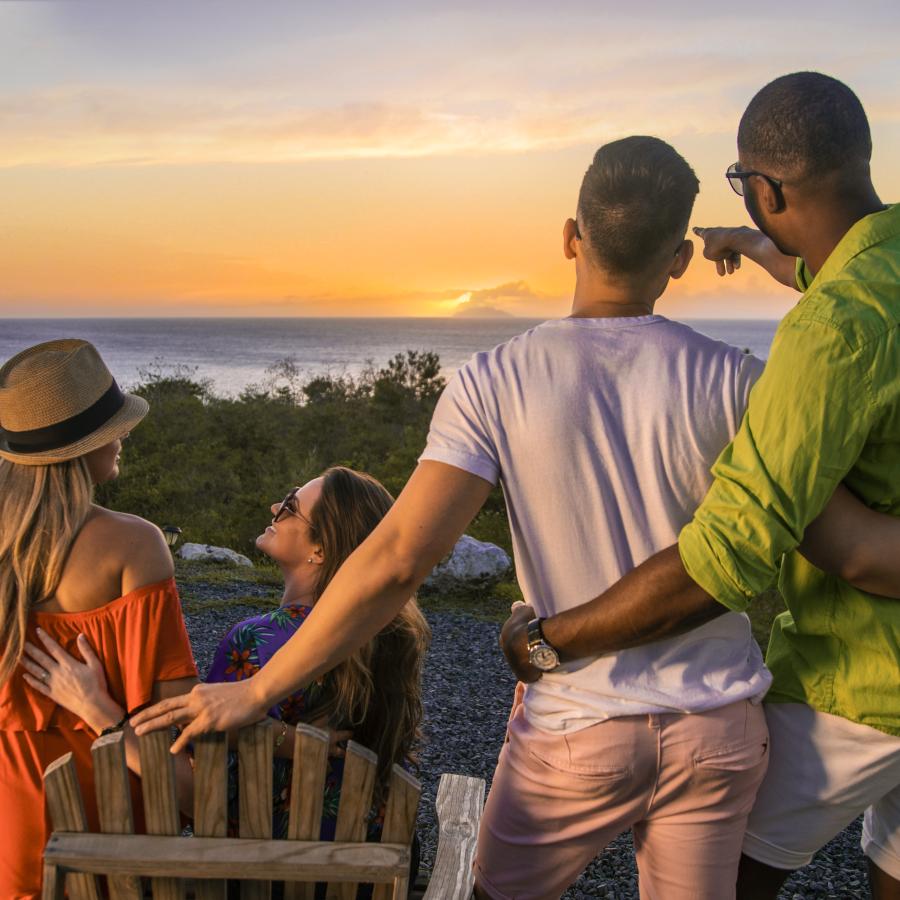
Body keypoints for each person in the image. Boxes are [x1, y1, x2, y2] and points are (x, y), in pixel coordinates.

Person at [495, 72, 900, 899]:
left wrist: (546, 641)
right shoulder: (870, 276)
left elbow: (728, 554)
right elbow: (850, 288)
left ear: (765, 188)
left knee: (729, 862)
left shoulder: (825, 333)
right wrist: (758, 248)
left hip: (862, 680)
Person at [25, 466, 430, 892]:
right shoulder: (390, 637)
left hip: (275, 874)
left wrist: (96, 707)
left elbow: (199, 798)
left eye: (291, 506)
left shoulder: (256, 639)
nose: (276, 506)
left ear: (321, 549)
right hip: (373, 871)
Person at [0, 339, 199, 900]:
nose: (124, 435)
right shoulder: (134, 545)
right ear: (77, 448)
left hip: (11, 831)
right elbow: (176, 733)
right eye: (114, 425)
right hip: (111, 827)